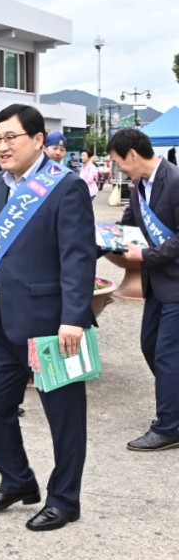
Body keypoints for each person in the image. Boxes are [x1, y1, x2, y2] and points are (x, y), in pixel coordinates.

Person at [0, 104, 95, 532]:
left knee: (64, 419)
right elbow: (0, 252)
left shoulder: (66, 187)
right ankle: (18, 480)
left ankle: (65, 499)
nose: (1, 146)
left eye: (11, 138)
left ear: (39, 139)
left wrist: (74, 317)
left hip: (52, 325)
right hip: (4, 319)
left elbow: (78, 257)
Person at [110, 128, 179, 452]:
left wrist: (146, 255)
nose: (118, 169)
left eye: (118, 162)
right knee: (150, 345)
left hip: (176, 284)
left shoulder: (175, 181)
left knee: (167, 356)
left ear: (132, 155)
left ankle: (169, 427)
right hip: (158, 286)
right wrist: (99, 241)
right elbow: (126, 227)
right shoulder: (139, 186)